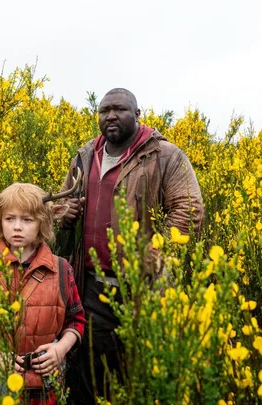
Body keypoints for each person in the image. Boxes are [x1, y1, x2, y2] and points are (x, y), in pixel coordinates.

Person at [60, 88, 204, 403]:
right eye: (104, 110)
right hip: (92, 286)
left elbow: (189, 209)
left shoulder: (164, 155)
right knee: (94, 372)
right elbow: (61, 204)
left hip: (143, 287)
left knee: (139, 370)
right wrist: (63, 214)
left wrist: (154, 252)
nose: (110, 116)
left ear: (138, 114)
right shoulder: (86, 156)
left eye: (119, 109)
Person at [0, 165, 86, 404]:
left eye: (27, 219)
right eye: (9, 218)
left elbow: (75, 321)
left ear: (45, 221)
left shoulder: (62, 269)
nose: (17, 227)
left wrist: (61, 349)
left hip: (44, 389)